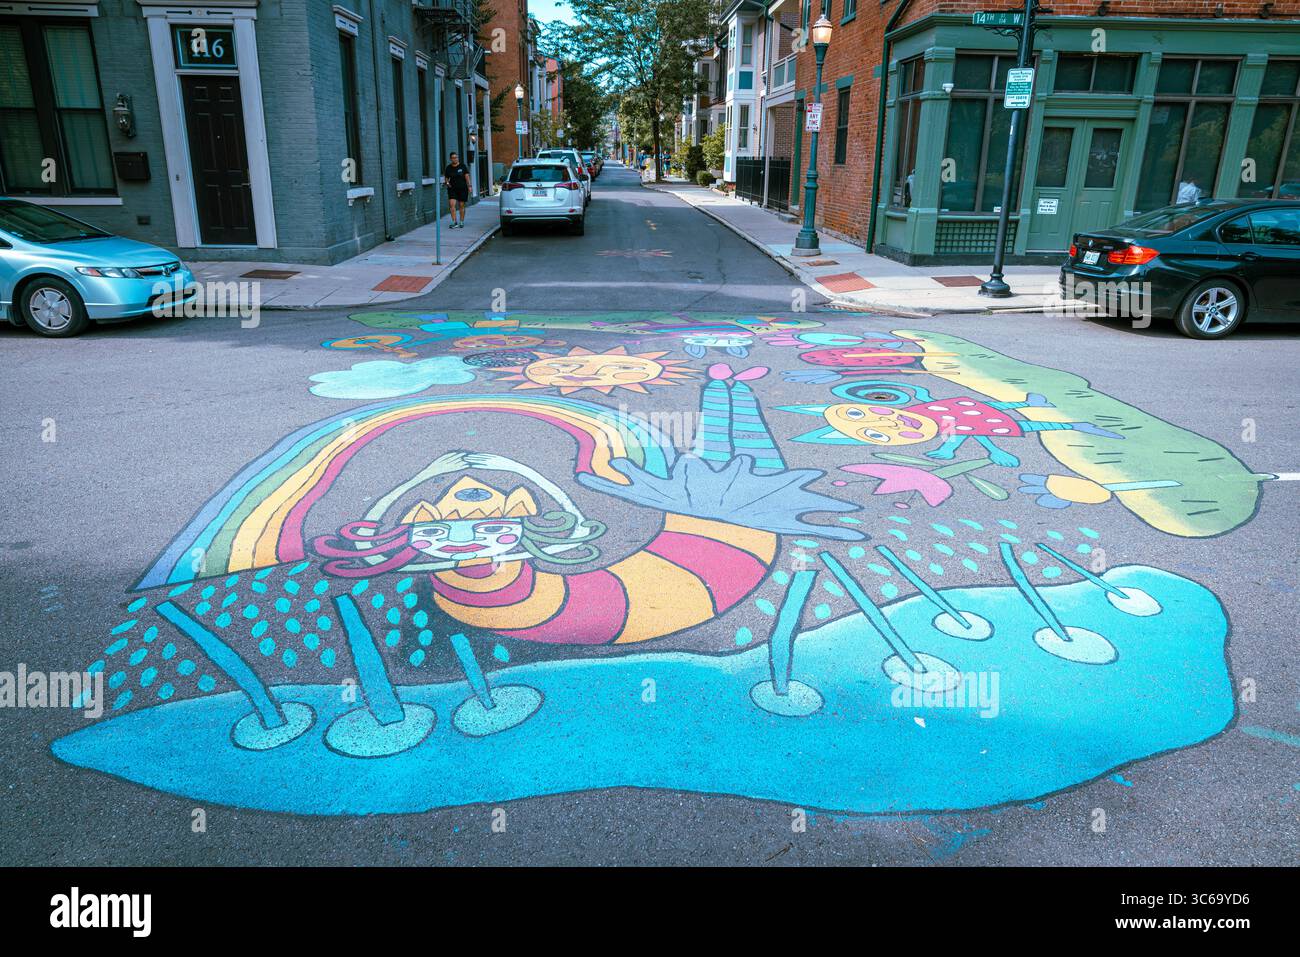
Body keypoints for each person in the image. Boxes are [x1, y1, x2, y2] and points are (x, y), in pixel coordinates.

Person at [442, 152, 471, 228]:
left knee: (461, 205)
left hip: (462, 189)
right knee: (452, 205)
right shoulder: (448, 168)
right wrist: (447, 183)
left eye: (456, 157)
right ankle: (454, 222)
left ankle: (461, 221)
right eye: (453, 158)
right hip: (452, 189)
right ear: (450, 159)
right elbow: (446, 177)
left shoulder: (462, 166)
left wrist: (469, 186)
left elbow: (467, 176)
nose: (455, 159)